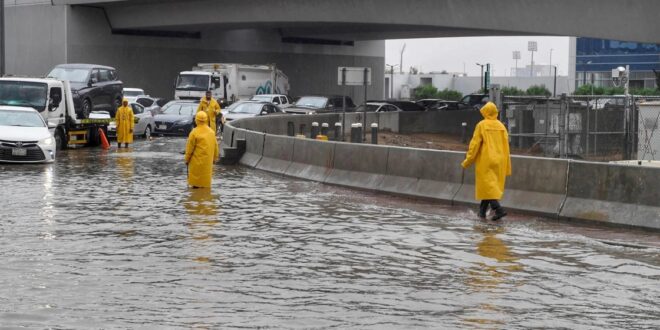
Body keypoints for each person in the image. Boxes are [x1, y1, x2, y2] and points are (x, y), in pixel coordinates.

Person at [461, 102, 511, 221]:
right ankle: (482, 213)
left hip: (486, 160)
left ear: (485, 112)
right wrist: (507, 165)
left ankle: (498, 209)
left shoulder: (481, 125)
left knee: (487, 186)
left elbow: (474, 146)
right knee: (489, 187)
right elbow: (506, 146)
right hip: (500, 160)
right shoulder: (501, 126)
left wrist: (467, 161)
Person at [184, 111, 219, 189]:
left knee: (195, 186)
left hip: (196, 163)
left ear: (196, 120)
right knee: (205, 186)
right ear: (206, 120)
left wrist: (187, 159)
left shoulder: (194, 132)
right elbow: (216, 147)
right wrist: (215, 159)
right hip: (207, 164)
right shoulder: (211, 132)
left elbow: (189, 149)